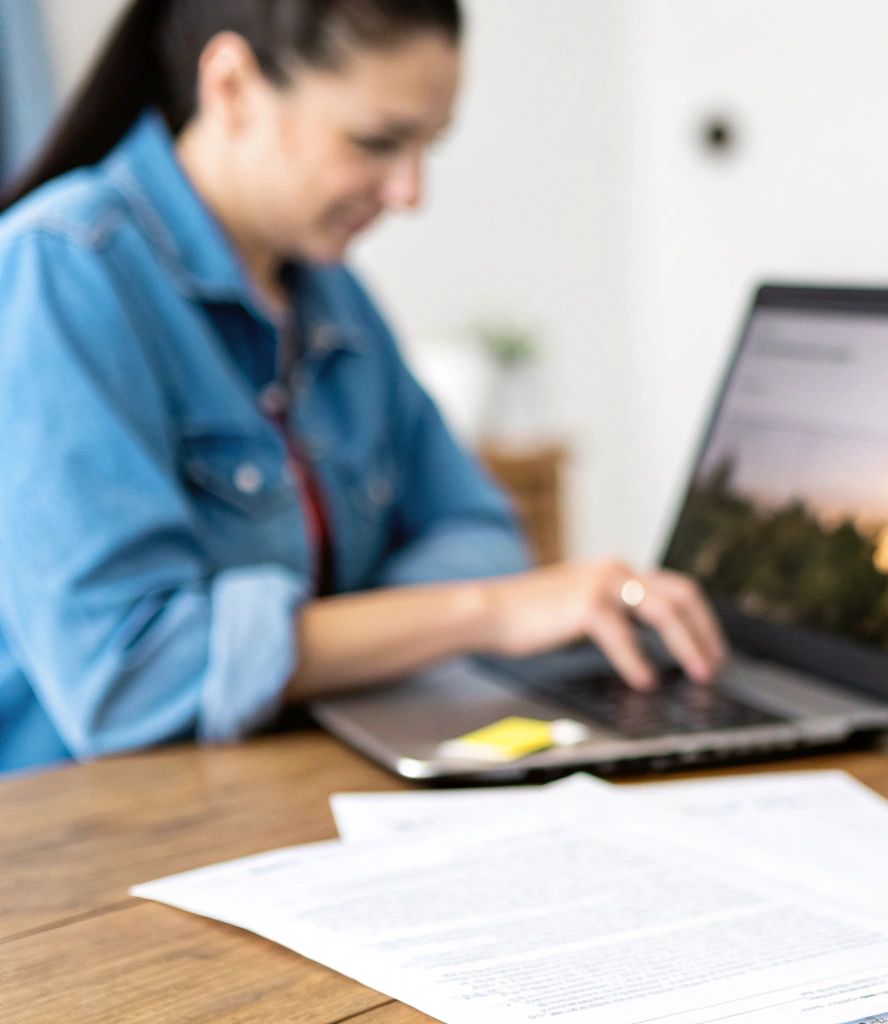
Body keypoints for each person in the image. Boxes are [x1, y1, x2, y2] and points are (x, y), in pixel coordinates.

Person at [0, 0, 724, 774]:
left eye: (427, 147)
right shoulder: (62, 270)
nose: (411, 191)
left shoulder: (330, 295)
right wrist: (484, 616)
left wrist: (317, 641)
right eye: (377, 142)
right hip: (88, 832)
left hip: (291, 774)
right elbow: (130, 677)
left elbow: (480, 533)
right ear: (234, 86)